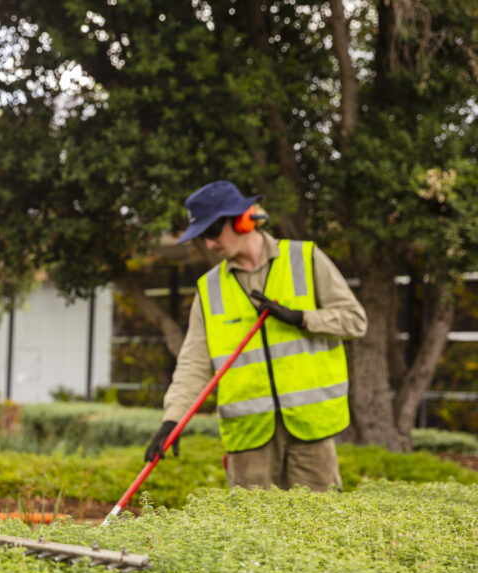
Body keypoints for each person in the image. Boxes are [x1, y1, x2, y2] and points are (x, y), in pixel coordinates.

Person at [144, 180, 367, 491]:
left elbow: (355, 321)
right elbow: (193, 364)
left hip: (311, 430)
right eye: (203, 236)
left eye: (212, 231)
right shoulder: (209, 290)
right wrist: (173, 419)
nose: (209, 244)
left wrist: (302, 318)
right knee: (250, 522)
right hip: (249, 440)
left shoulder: (305, 259)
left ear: (242, 220)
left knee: (318, 519)